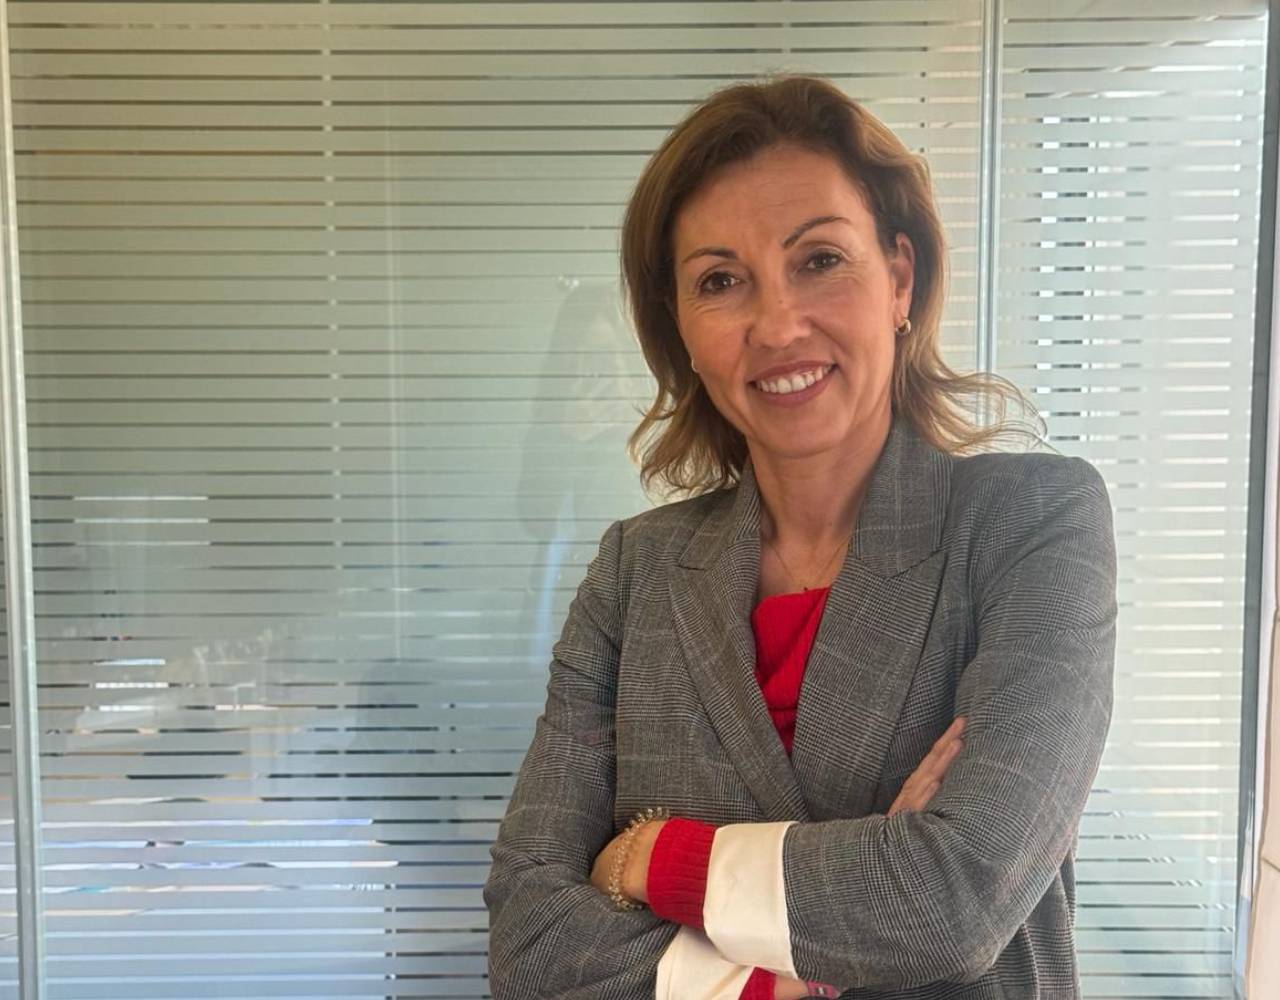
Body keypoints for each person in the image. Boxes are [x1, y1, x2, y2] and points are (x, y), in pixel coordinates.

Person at [484, 74, 1117, 1000]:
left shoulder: (1031, 523)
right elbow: (530, 940)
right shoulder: (634, 572)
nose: (777, 324)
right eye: (720, 281)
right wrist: (781, 974)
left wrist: (653, 858)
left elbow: (956, 900)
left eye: (819, 259)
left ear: (899, 279)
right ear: (681, 330)